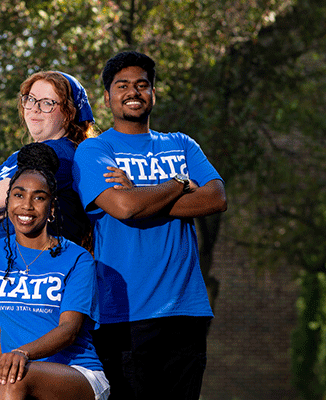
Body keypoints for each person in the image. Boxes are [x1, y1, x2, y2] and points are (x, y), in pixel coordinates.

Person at [72, 51, 228, 399]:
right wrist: (178, 184)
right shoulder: (95, 150)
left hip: (185, 309)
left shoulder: (182, 143)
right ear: (109, 96)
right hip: (124, 313)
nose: (134, 92)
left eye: (142, 85)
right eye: (122, 85)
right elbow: (125, 208)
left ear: (153, 93)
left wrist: (143, 197)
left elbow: (216, 197)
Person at [0, 142, 110, 400]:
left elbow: (69, 330)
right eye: (18, 195)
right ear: (7, 204)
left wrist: (22, 353)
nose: (27, 205)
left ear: (51, 209)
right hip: (16, 376)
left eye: (38, 197)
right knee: (13, 381)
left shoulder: (77, 258)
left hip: (77, 373)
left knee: (16, 380)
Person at [0, 71, 93, 247]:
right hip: (2, 266)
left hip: (36, 269)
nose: (34, 108)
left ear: (69, 112)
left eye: (47, 103)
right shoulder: (18, 155)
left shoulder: (60, 154)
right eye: (30, 99)